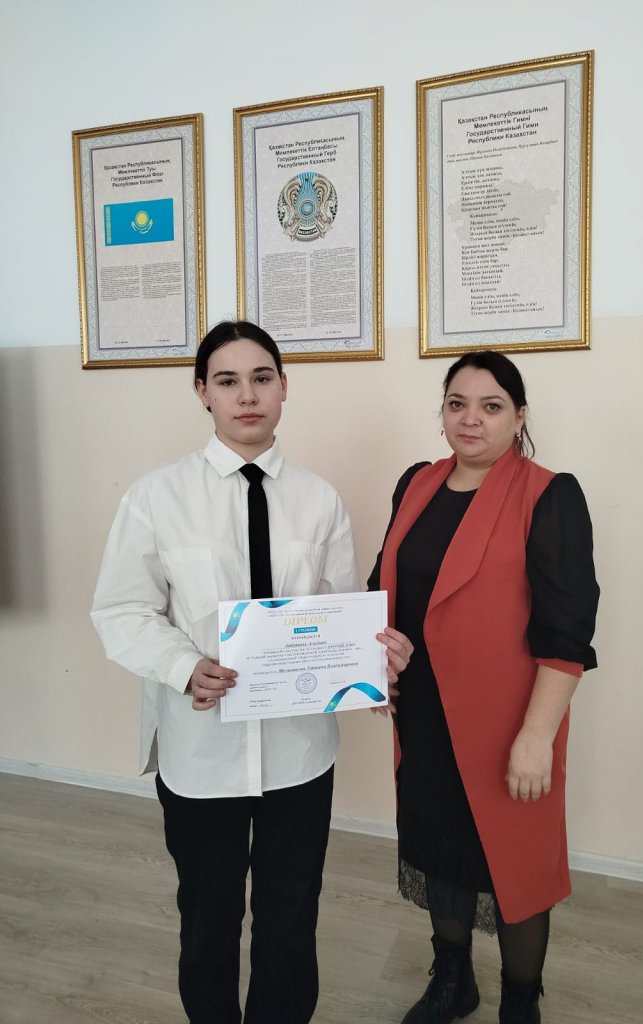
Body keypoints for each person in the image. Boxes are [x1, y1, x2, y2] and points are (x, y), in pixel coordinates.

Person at [91, 320, 412, 1024]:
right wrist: (184, 666)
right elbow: (121, 610)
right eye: (228, 381)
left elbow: (334, 612)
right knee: (207, 917)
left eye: (262, 378)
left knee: (291, 915)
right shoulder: (156, 496)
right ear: (202, 392)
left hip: (299, 752)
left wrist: (372, 663)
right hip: (201, 750)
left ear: (284, 387)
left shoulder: (319, 499)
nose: (247, 396)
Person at [368, 351, 599, 1024]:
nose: (471, 419)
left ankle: (521, 1003)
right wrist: (371, 661)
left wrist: (536, 737)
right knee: (440, 850)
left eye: (491, 406)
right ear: (442, 411)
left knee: (514, 866)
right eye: (457, 403)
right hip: (422, 715)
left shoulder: (548, 495)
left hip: (508, 723)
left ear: (519, 417)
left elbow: (567, 634)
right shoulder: (416, 483)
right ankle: (453, 980)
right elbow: (381, 587)